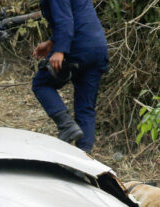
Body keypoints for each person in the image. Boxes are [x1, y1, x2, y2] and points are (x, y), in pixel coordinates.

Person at [30, 0, 108, 152]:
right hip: (97, 48)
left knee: (41, 84)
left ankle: (66, 125)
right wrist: (52, 43)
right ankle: (84, 161)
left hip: (77, 47)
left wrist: (60, 50)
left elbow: (65, 20)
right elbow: (78, 17)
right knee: (85, 108)